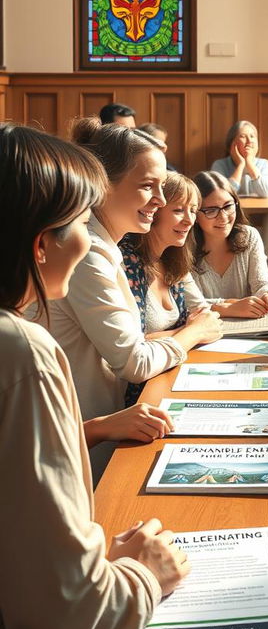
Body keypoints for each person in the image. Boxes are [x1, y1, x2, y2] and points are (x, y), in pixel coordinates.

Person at [0, 122, 189, 629]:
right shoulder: (21, 354)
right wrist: (141, 574)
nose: (90, 237)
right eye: (80, 220)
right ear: (41, 244)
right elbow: (72, 617)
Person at [45, 119, 223, 475]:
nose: (159, 200)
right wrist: (192, 333)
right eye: (147, 187)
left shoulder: (105, 248)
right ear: (102, 186)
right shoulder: (89, 254)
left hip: (104, 425)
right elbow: (134, 362)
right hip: (76, 436)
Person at [120, 171, 212, 347]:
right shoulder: (125, 262)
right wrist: (192, 332)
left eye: (193, 211)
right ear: (153, 212)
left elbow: (206, 318)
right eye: (178, 210)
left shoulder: (174, 260)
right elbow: (130, 346)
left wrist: (195, 331)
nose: (189, 220)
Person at [191, 171, 268, 316]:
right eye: (211, 210)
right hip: (202, 331)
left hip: (248, 329)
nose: (223, 217)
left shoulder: (249, 236)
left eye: (228, 206)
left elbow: (261, 284)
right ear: (195, 214)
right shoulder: (184, 248)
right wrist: (229, 308)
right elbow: (187, 304)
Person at [210, 120, 268, 197]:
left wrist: (249, 164)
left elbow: (266, 192)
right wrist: (241, 165)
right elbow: (222, 195)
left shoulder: (264, 164)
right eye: (243, 136)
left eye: (252, 136)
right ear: (232, 143)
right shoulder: (219, 165)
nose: (249, 141)